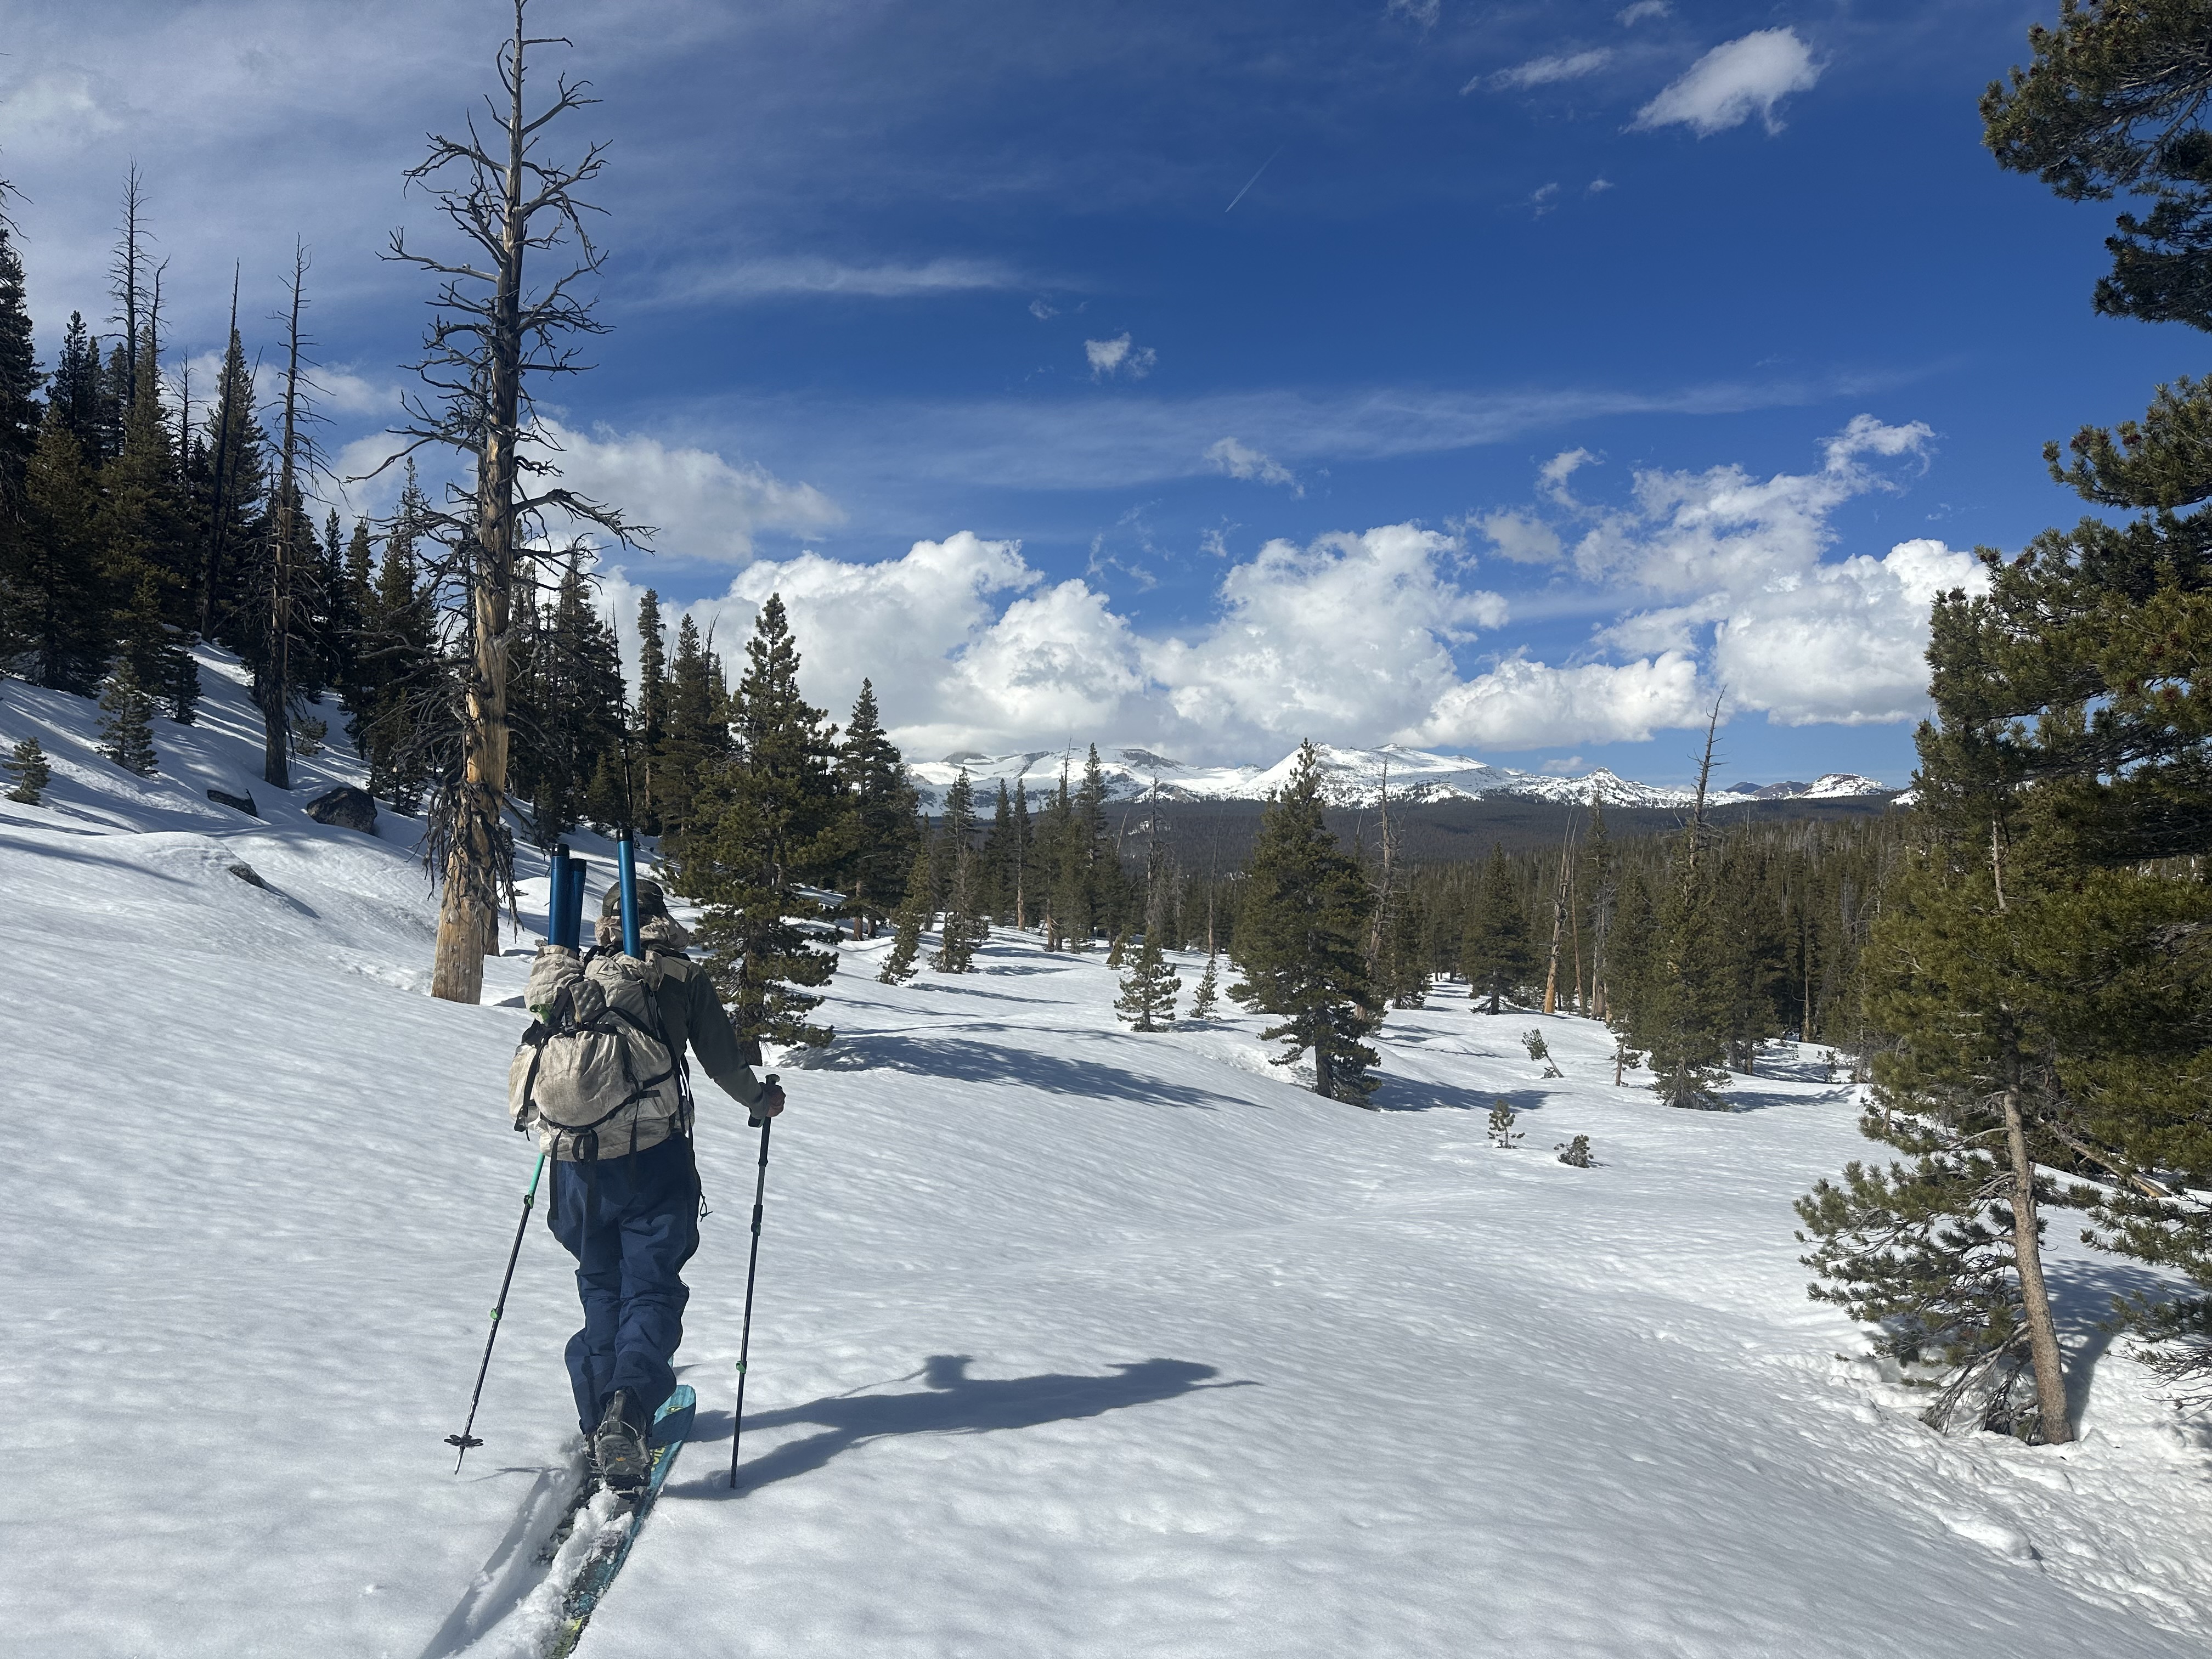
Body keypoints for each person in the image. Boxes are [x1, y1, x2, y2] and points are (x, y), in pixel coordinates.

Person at [533, 878, 783, 1495]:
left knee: (600, 1287)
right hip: (656, 1161)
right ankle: (631, 1411)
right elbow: (722, 1060)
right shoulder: (677, 975)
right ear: (661, 918)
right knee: (650, 1288)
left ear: (608, 922)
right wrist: (762, 1101)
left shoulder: (571, 973)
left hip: (575, 1167)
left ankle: (601, 1420)